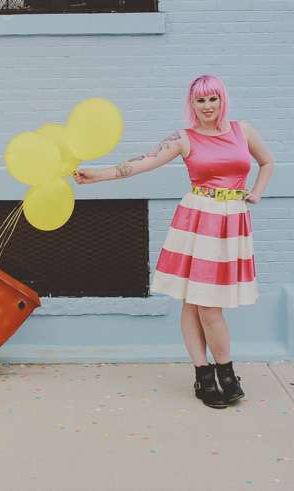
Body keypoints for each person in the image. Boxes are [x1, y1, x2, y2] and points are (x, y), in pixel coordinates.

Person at [72, 75, 274, 409]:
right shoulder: (183, 138)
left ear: (222, 100)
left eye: (213, 99)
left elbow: (266, 161)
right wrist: (97, 175)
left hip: (231, 221)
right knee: (200, 304)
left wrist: (256, 192)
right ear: (191, 104)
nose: (207, 106)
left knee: (203, 304)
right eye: (200, 100)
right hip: (198, 220)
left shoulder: (244, 130)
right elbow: (142, 163)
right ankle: (210, 375)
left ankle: (223, 375)